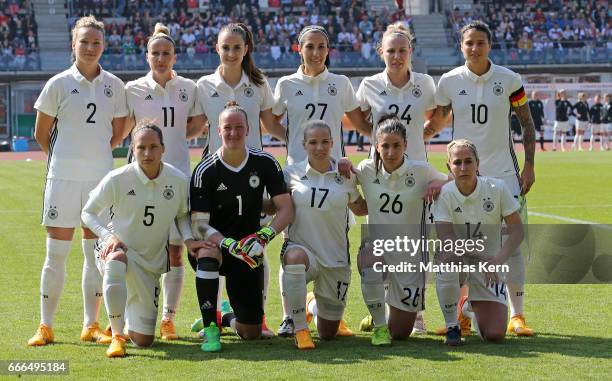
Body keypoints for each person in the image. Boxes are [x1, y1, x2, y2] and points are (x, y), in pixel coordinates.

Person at [425, 21, 536, 337]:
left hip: (504, 175)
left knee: (511, 246)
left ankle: (518, 315)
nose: (474, 48)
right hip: (461, 177)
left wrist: (529, 167)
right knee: (462, 246)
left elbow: (527, 125)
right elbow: (437, 122)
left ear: (489, 45)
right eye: (469, 43)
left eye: (480, 42)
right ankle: (460, 314)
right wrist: (415, 141)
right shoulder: (448, 82)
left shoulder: (510, 80)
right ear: (461, 45)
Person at [28, 16, 127, 346]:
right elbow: (42, 134)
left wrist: (98, 152)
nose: (90, 47)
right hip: (63, 180)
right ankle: (45, 326)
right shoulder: (57, 83)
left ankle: (91, 324)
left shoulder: (114, 85)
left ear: (104, 46)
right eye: (84, 41)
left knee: (93, 254)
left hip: (99, 182)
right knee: (55, 254)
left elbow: (118, 130)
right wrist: (64, 159)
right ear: (73, 44)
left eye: (96, 42)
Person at [272, 24, 371, 337]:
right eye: (309, 47)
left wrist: (388, 141)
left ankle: (321, 302)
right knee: (292, 245)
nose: (315, 53)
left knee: (334, 233)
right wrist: (290, 143)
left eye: (321, 47)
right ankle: (290, 316)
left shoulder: (340, 84)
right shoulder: (286, 84)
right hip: (298, 176)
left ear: (329, 50)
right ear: (298, 49)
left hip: (335, 175)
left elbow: (360, 122)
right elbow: (270, 119)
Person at [194, 22, 285, 337]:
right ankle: (214, 314)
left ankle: (257, 317)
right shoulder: (203, 85)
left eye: (237, 47)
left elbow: (272, 124)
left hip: (253, 180)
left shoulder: (258, 84)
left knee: (257, 246)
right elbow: (191, 127)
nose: (231, 53)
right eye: (225, 47)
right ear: (216, 48)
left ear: (246, 49)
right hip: (217, 178)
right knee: (213, 243)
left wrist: (301, 142)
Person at [81, 122, 200, 357]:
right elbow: (87, 212)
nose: (147, 153)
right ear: (132, 150)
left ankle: (125, 317)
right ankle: (116, 336)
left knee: (144, 341)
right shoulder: (118, 178)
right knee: (116, 259)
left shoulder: (177, 180)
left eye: (153, 146)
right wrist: (108, 236)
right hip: (118, 249)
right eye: (141, 147)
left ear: (163, 148)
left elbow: (182, 215)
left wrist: (188, 239)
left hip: (150, 265)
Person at [124, 22, 205, 341]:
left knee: (174, 252)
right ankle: (129, 315)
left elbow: (197, 123)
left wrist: (170, 142)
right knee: (136, 250)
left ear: (174, 56)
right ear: (146, 56)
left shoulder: (189, 87)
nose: (160, 58)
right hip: (139, 180)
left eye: (166, 53)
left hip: (178, 179)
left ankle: (168, 318)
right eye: (155, 53)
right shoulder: (131, 89)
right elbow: (124, 128)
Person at [189, 103, 293, 352]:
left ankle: (226, 317)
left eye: (238, 127)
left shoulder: (265, 162)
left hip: (249, 251)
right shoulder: (205, 170)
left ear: (249, 129)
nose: (233, 133)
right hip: (217, 244)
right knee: (207, 254)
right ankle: (211, 329)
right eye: (227, 128)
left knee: (252, 333)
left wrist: (264, 236)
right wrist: (227, 244)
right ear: (217, 131)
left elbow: (286, 208)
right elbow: (200, 224)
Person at [354, 116, 448, 346]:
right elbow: (345, 190)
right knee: (369, 258)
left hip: (411, 257)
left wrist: (442, 183)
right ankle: (379, 326)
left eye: (396, 145)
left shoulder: (421, 171)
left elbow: (458, 181)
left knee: (401, 333)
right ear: (377, 147)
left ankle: (384, 316)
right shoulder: (366, 170)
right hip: (378, 251)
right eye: (385, 145)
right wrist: (344, 163)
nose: (390, 151)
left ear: (406, 145)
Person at [281, 120, 367, 349]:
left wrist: (375, 185)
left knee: (328, 334)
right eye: (313, 142)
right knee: (293, 259)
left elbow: (361, 208)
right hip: (304, 251)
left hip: (335, 259)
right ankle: (300, 328)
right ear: (304, 144)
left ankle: (311, 305)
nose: (319, 147)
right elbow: (277, 206)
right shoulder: (291, 173)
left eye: (324, 142)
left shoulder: (345, 174)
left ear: (332, 143)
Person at [434, 139, 523, 345]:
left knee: (494, 335)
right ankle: (452, 327)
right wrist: (484, 258)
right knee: (447, 258)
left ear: (478, 163)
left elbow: (517, 231)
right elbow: (447, 240)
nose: (463, 167)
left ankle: (469, 307)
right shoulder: (445, 195)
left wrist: (498, 260)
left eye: (468, 161)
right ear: (449, 166)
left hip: (489, 268)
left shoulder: (497, 188)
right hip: (461, 261)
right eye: (457, 163)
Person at [356, 22, 437, 162]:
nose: (397, 56)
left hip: (416, 164)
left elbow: (434, 119)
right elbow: (356, 121)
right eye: (391, 51)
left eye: (402, 50)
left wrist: (416, 136)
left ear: (410, 51)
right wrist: (378, 135)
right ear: (381, 52)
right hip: (380, 166)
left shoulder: (425, 82)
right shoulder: (369, 84)